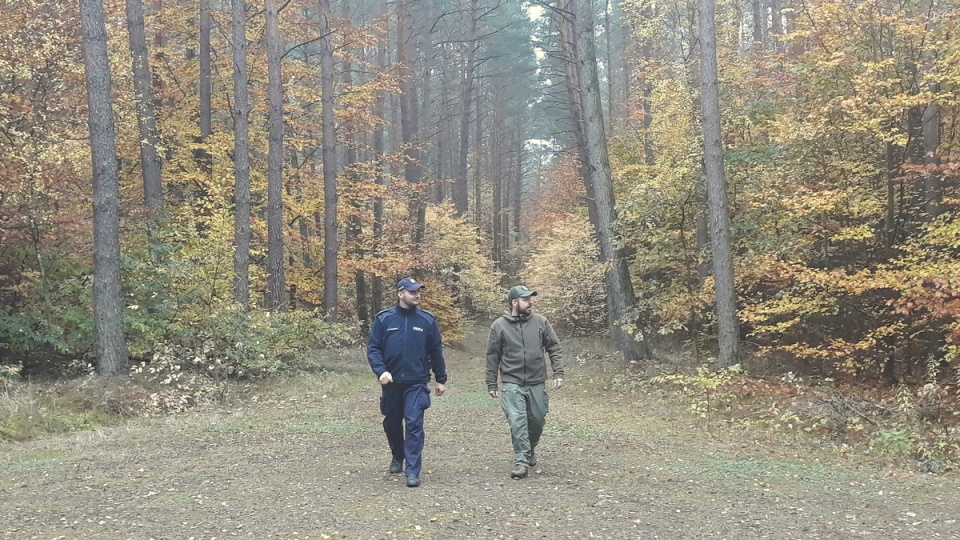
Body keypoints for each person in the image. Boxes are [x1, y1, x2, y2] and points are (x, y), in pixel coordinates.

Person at [367, 277, 448, 488]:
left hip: (417, 382)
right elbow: (373, 348)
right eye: (412, 292)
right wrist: (380, 371)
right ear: (400, 294)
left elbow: (435, 351)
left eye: (418, 291)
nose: (417, 295)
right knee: (392, 423)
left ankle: (413, 471)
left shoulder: (427, 320)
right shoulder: (384, 320)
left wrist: (441, 378)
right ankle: (397, 456)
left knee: (414, 424)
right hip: (391, 382)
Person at [485, 285, 564, 479]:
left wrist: (558, 372)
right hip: (512, 381)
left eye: (530, 299)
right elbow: (492, 355)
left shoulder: (541, 322)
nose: (530, 303)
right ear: (514, 302)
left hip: (537, 380)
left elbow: (554, 347)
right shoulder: (499, 326)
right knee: (517, 421)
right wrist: (492, 383)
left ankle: (530, 448)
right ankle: (521, 461)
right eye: (526, 299)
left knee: (536, 419)